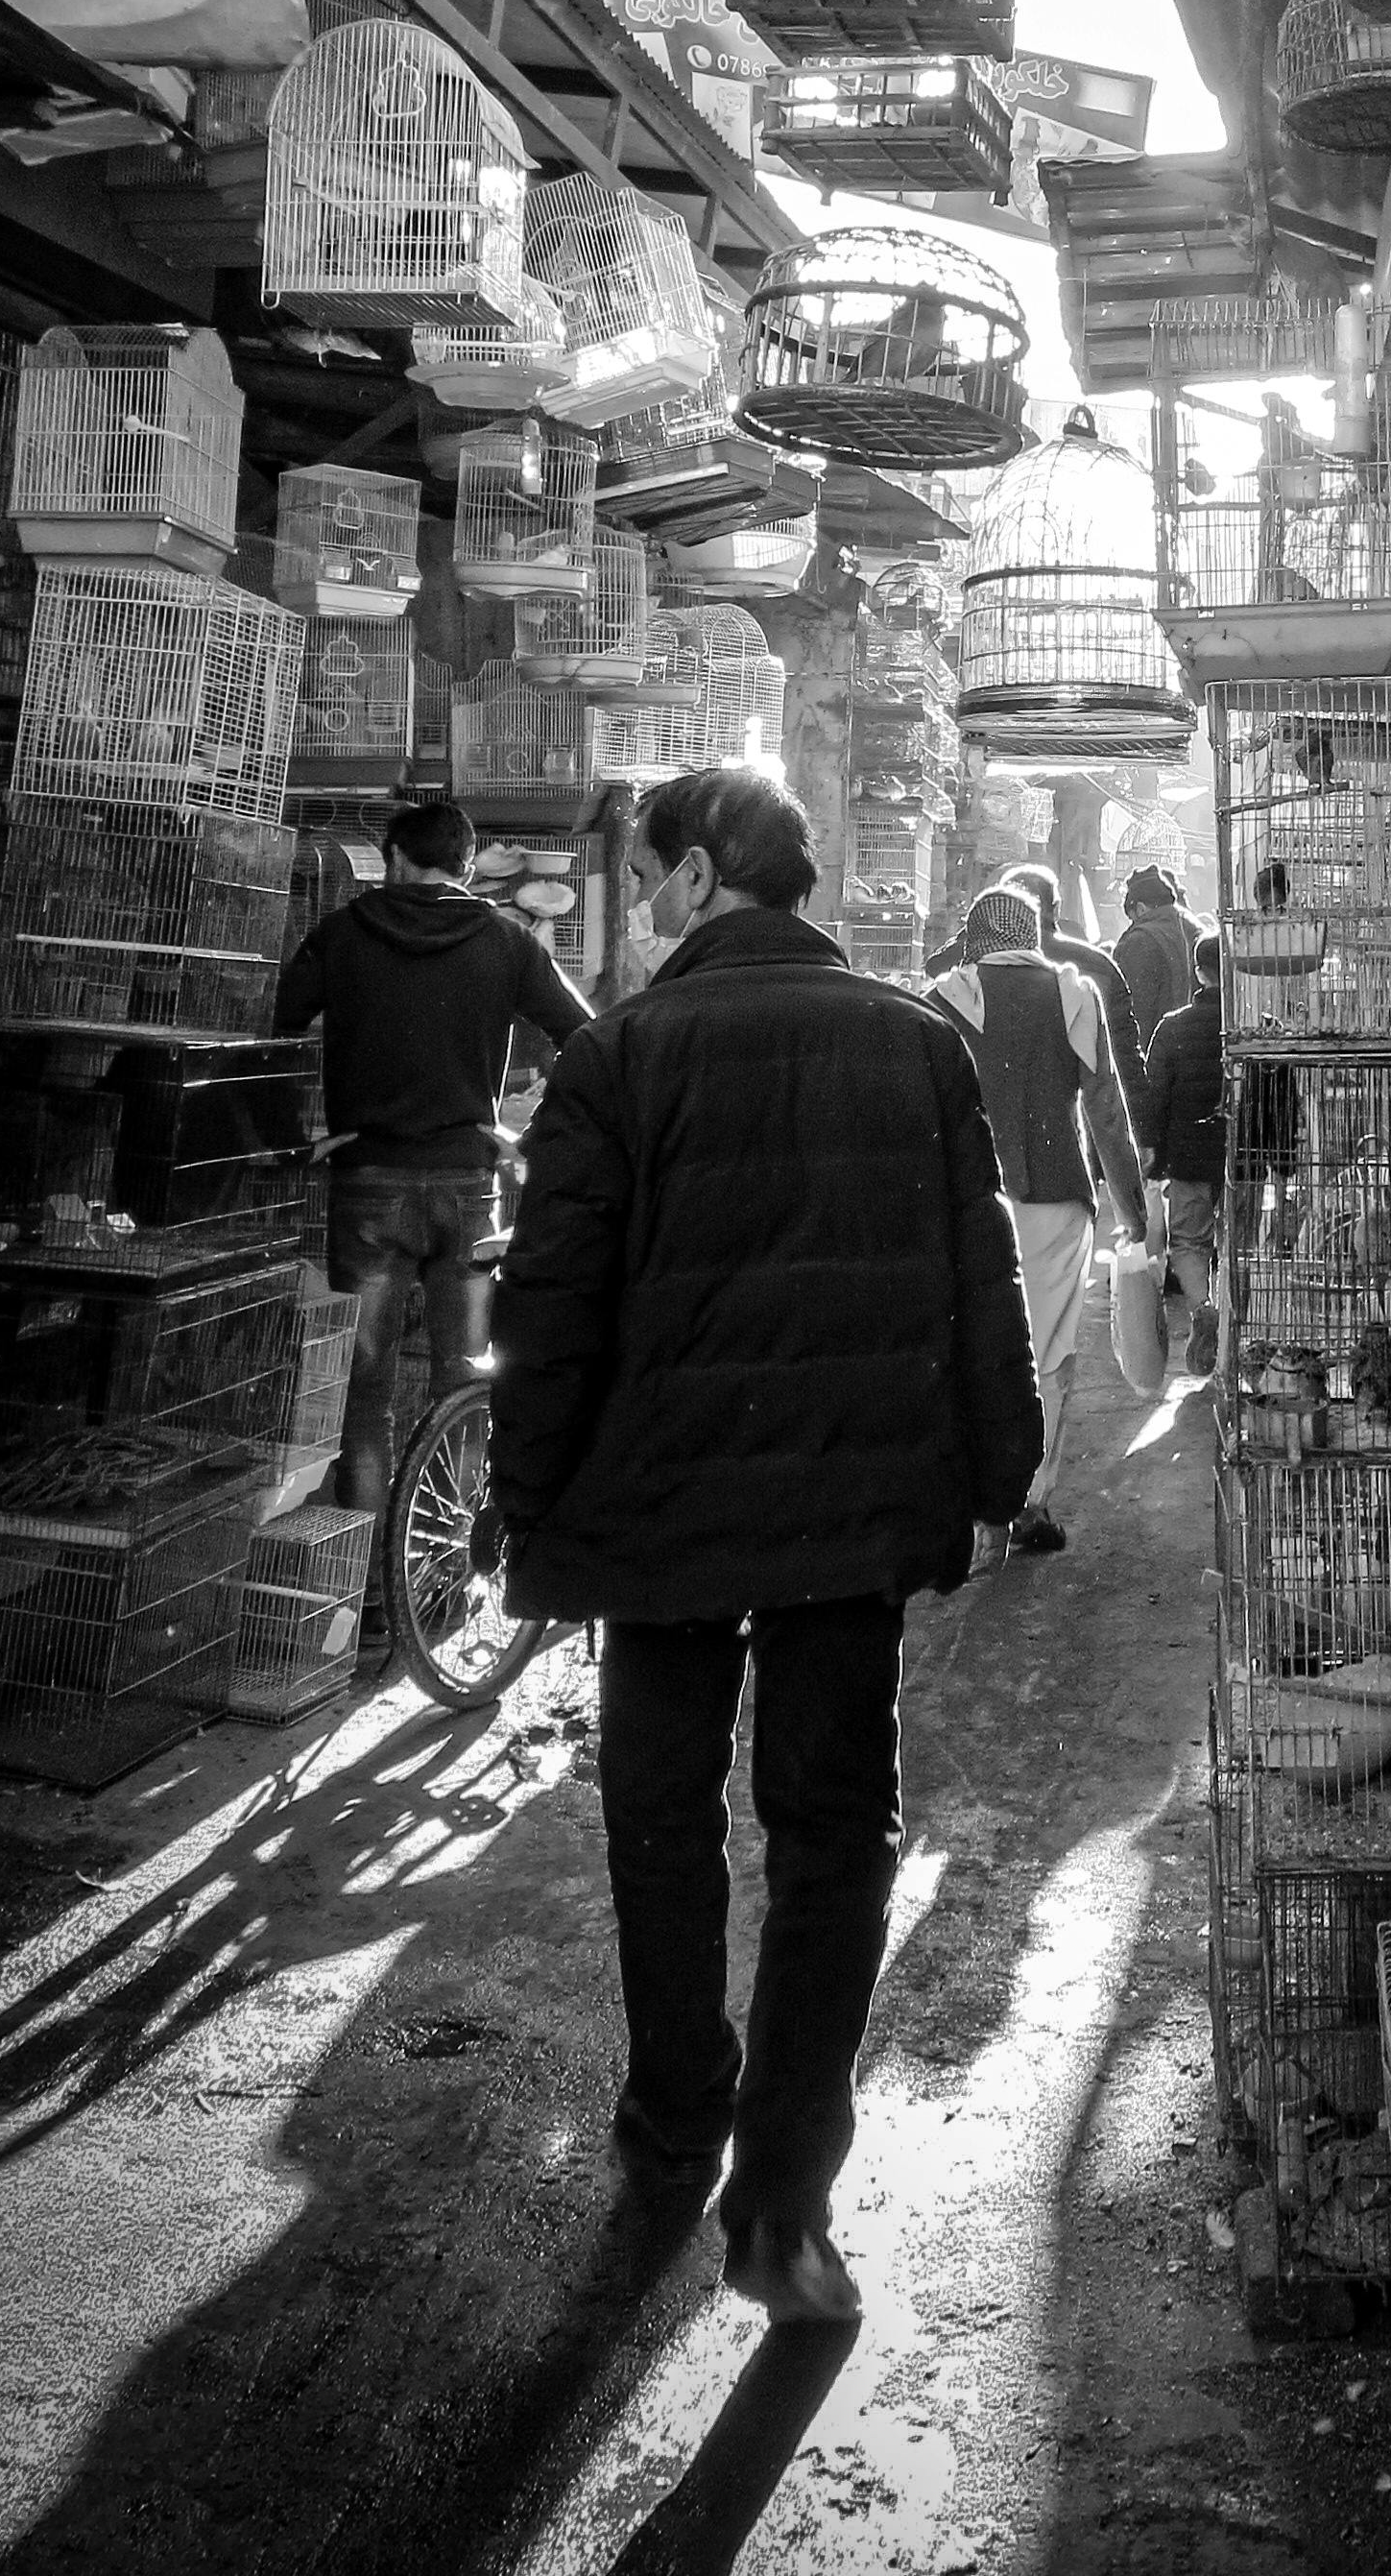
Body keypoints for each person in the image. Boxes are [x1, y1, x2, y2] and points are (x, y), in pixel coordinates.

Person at [486, 763, 1040, 2328]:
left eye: (658, 872)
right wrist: (1003, 1474)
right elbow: (979, 1277)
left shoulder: (622, 1058)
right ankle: (784, 2207)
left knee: (659, 1817)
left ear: (701, 876)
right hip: (849, 1520)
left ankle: (677, 2118)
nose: (650, 898)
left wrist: (530, 1505)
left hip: (658, 1520)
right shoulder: (915, 1043)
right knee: (830, 1836)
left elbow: (551, 1313)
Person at [275, 793, 590, 1529]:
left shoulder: (343, 933)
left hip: (367, 1185)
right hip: (469, 1188)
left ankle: (371, 1587)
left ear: (393, 860)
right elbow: (587, 1037)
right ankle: (445, 1562)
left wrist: (304, 1135)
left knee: (366, 1391)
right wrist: (527, 1136)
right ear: (467, 865)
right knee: (464, 1382)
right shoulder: (510, 942)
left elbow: (279, 1022)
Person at [927, 883, 1145, 1556]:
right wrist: (1133, 1208)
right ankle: (1029, 1502)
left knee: (960, 1343)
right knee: (1048, 1352)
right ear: (1032, 934)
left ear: (975, 939)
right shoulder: (1074, 994)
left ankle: (966, 1503)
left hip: (960, 1201)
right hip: (1054, 1198)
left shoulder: (941, 999)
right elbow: (1106, 1110)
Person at [927, 859, 1143, 1082]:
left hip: (992, 1093)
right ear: (1056, 908)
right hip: (1075, 1096)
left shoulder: (986, 962)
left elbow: (936, 966)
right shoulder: (1099, 963)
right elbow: (1124, 1048)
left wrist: (976, 928)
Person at [1134, 930, 1225, 1379]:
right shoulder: (1254, 1027)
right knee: (1237, 1247)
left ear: (1197, 971)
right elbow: (1277, 1099)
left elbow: (1155, 1097)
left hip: (1191, 1156)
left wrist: (1151, 1149)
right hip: (1244, 1158)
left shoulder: (1172, 1027)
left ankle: (1203, 1309)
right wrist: (1280, 1164)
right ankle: (1234, 1330)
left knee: (1189, 1242)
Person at [1114, 861, 1201, 1059]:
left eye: (1132, 917)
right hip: (1203, 1053)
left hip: (1159, 1057)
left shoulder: (1137, 942)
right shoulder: (1197, 930)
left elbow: (1133, 1012)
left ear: (1141, 909)